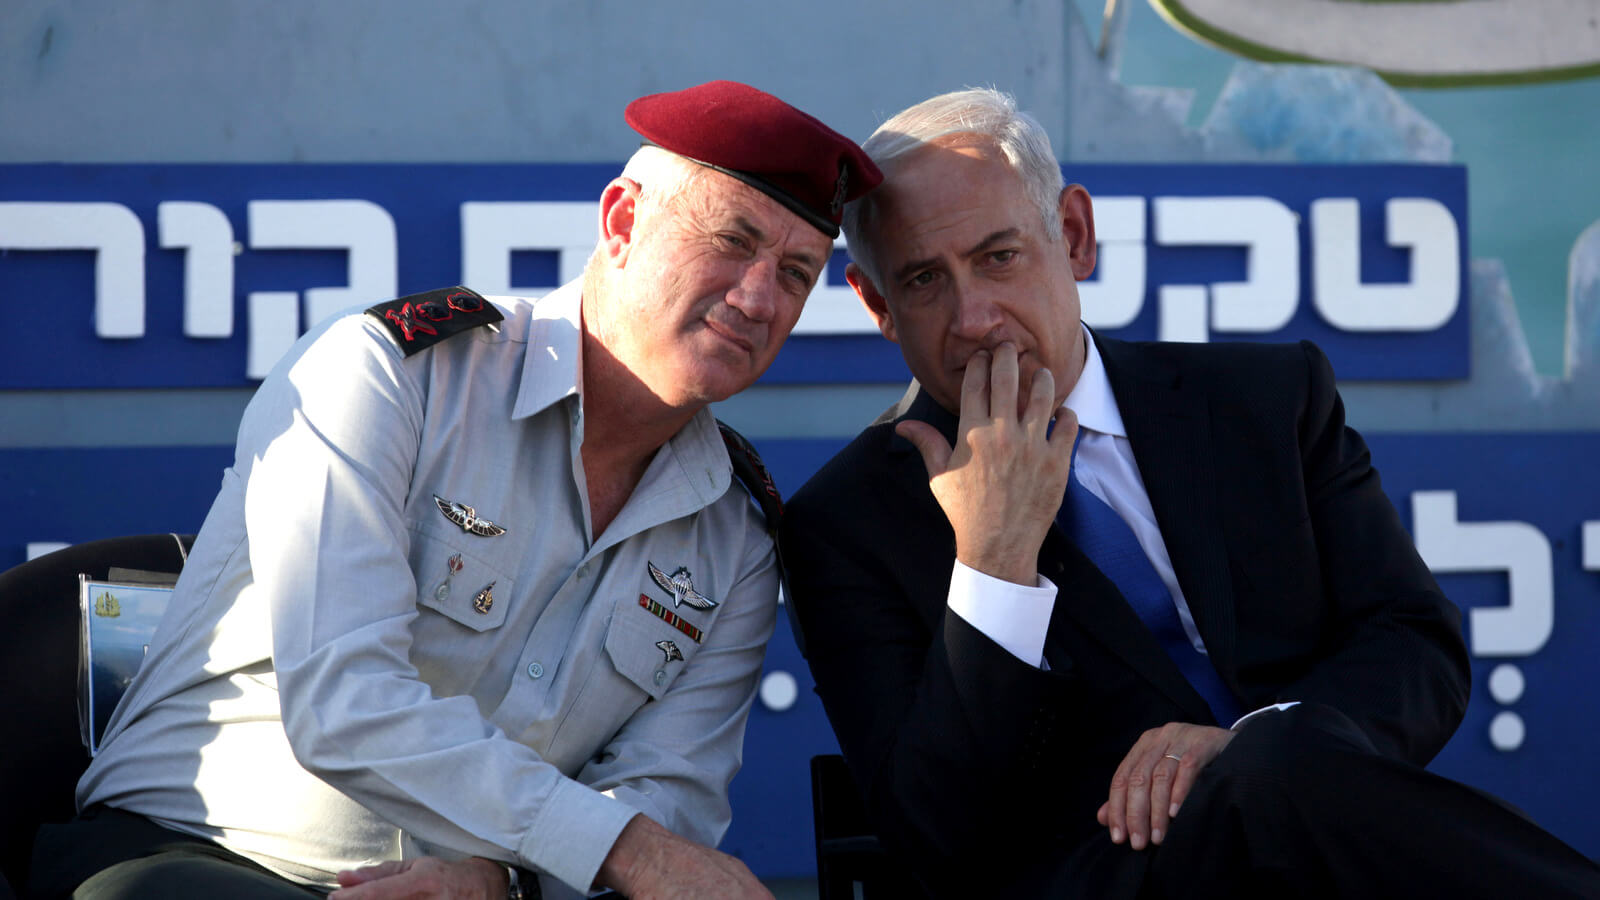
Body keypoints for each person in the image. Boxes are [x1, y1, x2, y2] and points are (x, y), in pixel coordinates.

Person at [29, 80, 880, 900]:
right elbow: (344, 698)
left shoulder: (736, 530)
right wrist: (615, 849)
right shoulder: (391, 376)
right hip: (199, 853)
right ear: (622, 222)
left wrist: (509, 880)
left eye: (799, 273)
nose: (760, 297)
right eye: (732, 240)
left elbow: (672, 792)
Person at [779, 88, 1600, 899]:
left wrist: (1247, 745)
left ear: (1072, 235)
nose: (974, 316)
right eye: (925, 281)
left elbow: (1416, 645)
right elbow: (937, 840)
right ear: (879, 306)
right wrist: (993, 561)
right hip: (1106, 882)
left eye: (1000, 256)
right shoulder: (845, 524)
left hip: (1324, 848)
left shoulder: (1266, 400)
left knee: (1271, 769)